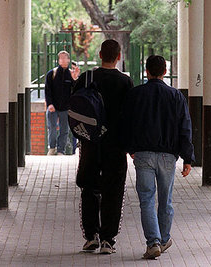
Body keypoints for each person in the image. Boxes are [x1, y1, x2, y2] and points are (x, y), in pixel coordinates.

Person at [121, 55, 195, 259]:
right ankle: (163, 240)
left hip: (143, 154)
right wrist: (187, 158)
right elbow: (185, 128)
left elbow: (126, 124)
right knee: (166, 201)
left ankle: (153, 242)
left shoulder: (135, 95)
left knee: (146, 200)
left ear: (147, 72)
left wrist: (130, 148)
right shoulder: (176, 96)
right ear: (164, 72)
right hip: (167, 157)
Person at [73, 40, 134, 254]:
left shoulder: (86, 78)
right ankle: (108, 240)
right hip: (115, 145)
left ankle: (91, 236)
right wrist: (131, 146)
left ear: (100, 55)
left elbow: (75, 108)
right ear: (118, 57)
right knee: (114, 190)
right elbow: (130, 116)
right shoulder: (125, 82)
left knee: (88, 187)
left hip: (90, 143)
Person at [44, 51, 80, 155]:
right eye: (61, 58)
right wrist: (50, 104)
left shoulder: (71, 74)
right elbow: (48, 90)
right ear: (58, 60)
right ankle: (52, 147)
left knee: (64, 130)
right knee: (52, 128)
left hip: (66, 108)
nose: (63, 60)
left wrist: (75, 78)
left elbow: (76, 90)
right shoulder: (52, 73)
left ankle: (61, 150)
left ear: (69, 60)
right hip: (53, 107)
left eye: (65, 58)